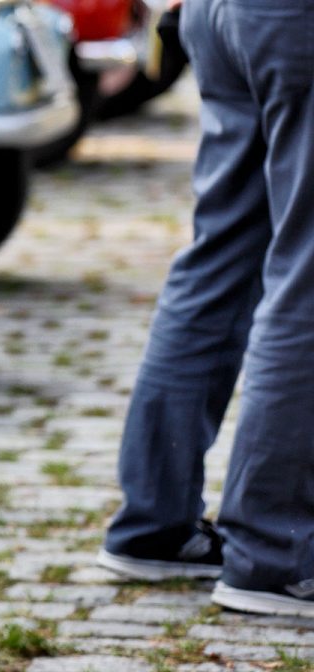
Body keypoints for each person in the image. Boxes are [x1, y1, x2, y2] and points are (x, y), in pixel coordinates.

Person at [98, 0, 314, 617]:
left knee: (220, 259)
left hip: (221, 15)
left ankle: (157, 527)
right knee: (306, 276)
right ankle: (277, 555)